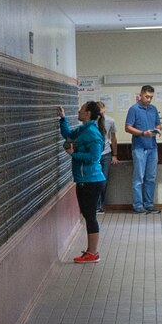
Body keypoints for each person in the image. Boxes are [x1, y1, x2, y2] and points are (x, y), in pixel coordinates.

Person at [60, 102, 108, 263]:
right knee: (88, 215)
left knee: (90, 216)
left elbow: (94, 158)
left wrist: (73, 154)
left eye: (81, 109)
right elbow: (68, 135)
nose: (78, 111)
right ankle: (90, 251)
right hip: (83, 180)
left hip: (91, 181)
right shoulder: (83, 129)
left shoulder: (93, 134)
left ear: (88, 113)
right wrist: (62, 118)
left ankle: (93, 253)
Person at [125, 85, 162, 214]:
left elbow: (158, 124)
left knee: (150, 177)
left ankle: (149, 204)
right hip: (139, 147)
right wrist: (142, 133)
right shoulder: (134, 109)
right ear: (140, 95)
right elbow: (128, 127)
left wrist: (158, 130)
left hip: (152, 147)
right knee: (139, 178)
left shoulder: (153, 109)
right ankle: (138, 205)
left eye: (151, 97)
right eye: (146, 96)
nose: (149, 99)